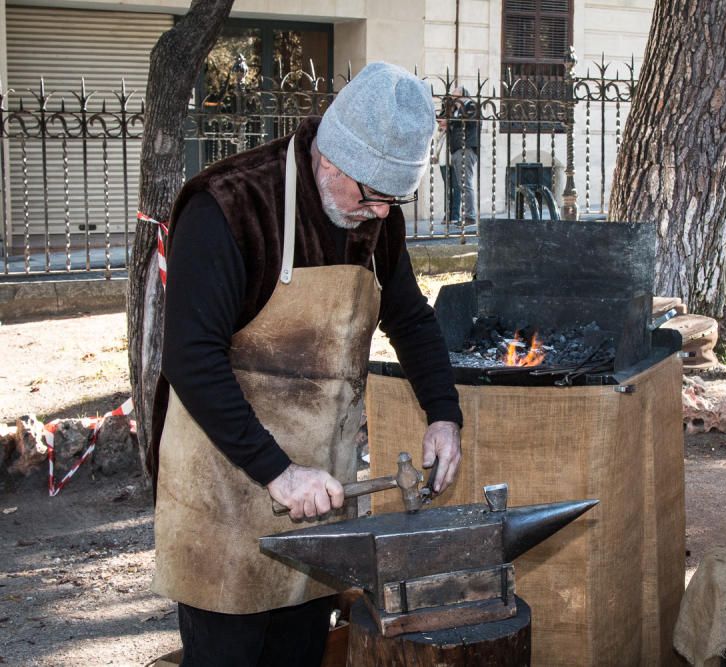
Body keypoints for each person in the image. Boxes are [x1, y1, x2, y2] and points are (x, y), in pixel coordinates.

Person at [150, 62, 463, 666]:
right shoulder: (229, 207)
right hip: (224, 488)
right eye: (373, 197)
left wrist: (443, 414)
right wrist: (279, 473)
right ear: (331, 161)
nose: (380, 214)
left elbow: (411, 319)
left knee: (300, 656)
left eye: (393, 201)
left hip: (321, 493)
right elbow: (190, 358)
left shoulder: (374, 217)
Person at [445, 87, 480, 225]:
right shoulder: (456, 111)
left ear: (463, 95)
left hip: (466, 148)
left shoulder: (471, 106)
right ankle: (467, 215)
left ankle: (470, 217)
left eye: (455, 95)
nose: (453, 98)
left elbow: (469, 121)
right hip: (457, 149)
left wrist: (451, 120)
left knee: (466, 184)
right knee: (462, 184)